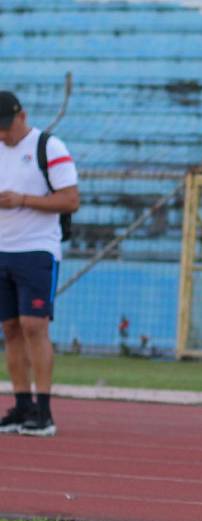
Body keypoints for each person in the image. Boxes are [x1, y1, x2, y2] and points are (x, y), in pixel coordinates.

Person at [0, 90, 79, 437]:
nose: (3, 134)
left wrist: (22, 200)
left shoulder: (50, 147)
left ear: (23, 116)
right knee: (10, 329)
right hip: (2, 249)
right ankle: (21, 405)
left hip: (36, 249)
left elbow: (70, 200)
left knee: (34, 325)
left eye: (6, 126)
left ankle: (44, 410)